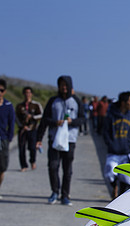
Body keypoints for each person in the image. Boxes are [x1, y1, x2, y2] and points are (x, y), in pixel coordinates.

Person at [37, 75, 85, 206]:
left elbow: (82, 119)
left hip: (70, 140)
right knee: (53, 166)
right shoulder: (53, 101)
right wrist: (40, 137)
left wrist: (72, 121)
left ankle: (65, 195)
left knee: (67, 169)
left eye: (66, 85)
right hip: (55, 139)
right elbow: (44, 119)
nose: (64, 87)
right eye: (61, 85)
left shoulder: (76, 101)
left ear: (70, 86)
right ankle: (54, 192)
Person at [102, 91, 130, 199]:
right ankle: (114, 186)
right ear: (123, 103)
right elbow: (105, 131)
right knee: (109, 173)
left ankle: (120, 195)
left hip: (126, 152)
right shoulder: (111, 116)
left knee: (128, 178)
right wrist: (110, 143)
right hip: (113, 151)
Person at [15, 86, 43, 171]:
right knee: (21, 148)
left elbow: (41, 115)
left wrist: (32, 117)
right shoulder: (19, 106)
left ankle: (32, 161)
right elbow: (16, 117)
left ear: (31, 94)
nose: (27, 94)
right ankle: (23, 166)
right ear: (23, 94)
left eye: (29, 93)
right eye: (26, 93)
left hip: (33, 129)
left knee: (32, 147)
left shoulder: (36, 105)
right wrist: (22, 126)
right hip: (23, 129)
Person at [0, 79, 15, 199]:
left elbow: (12, 122)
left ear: (4, 91)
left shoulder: (8, 106)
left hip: (3, 139)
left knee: (2, 168)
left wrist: (9, 138)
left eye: (1, 90)